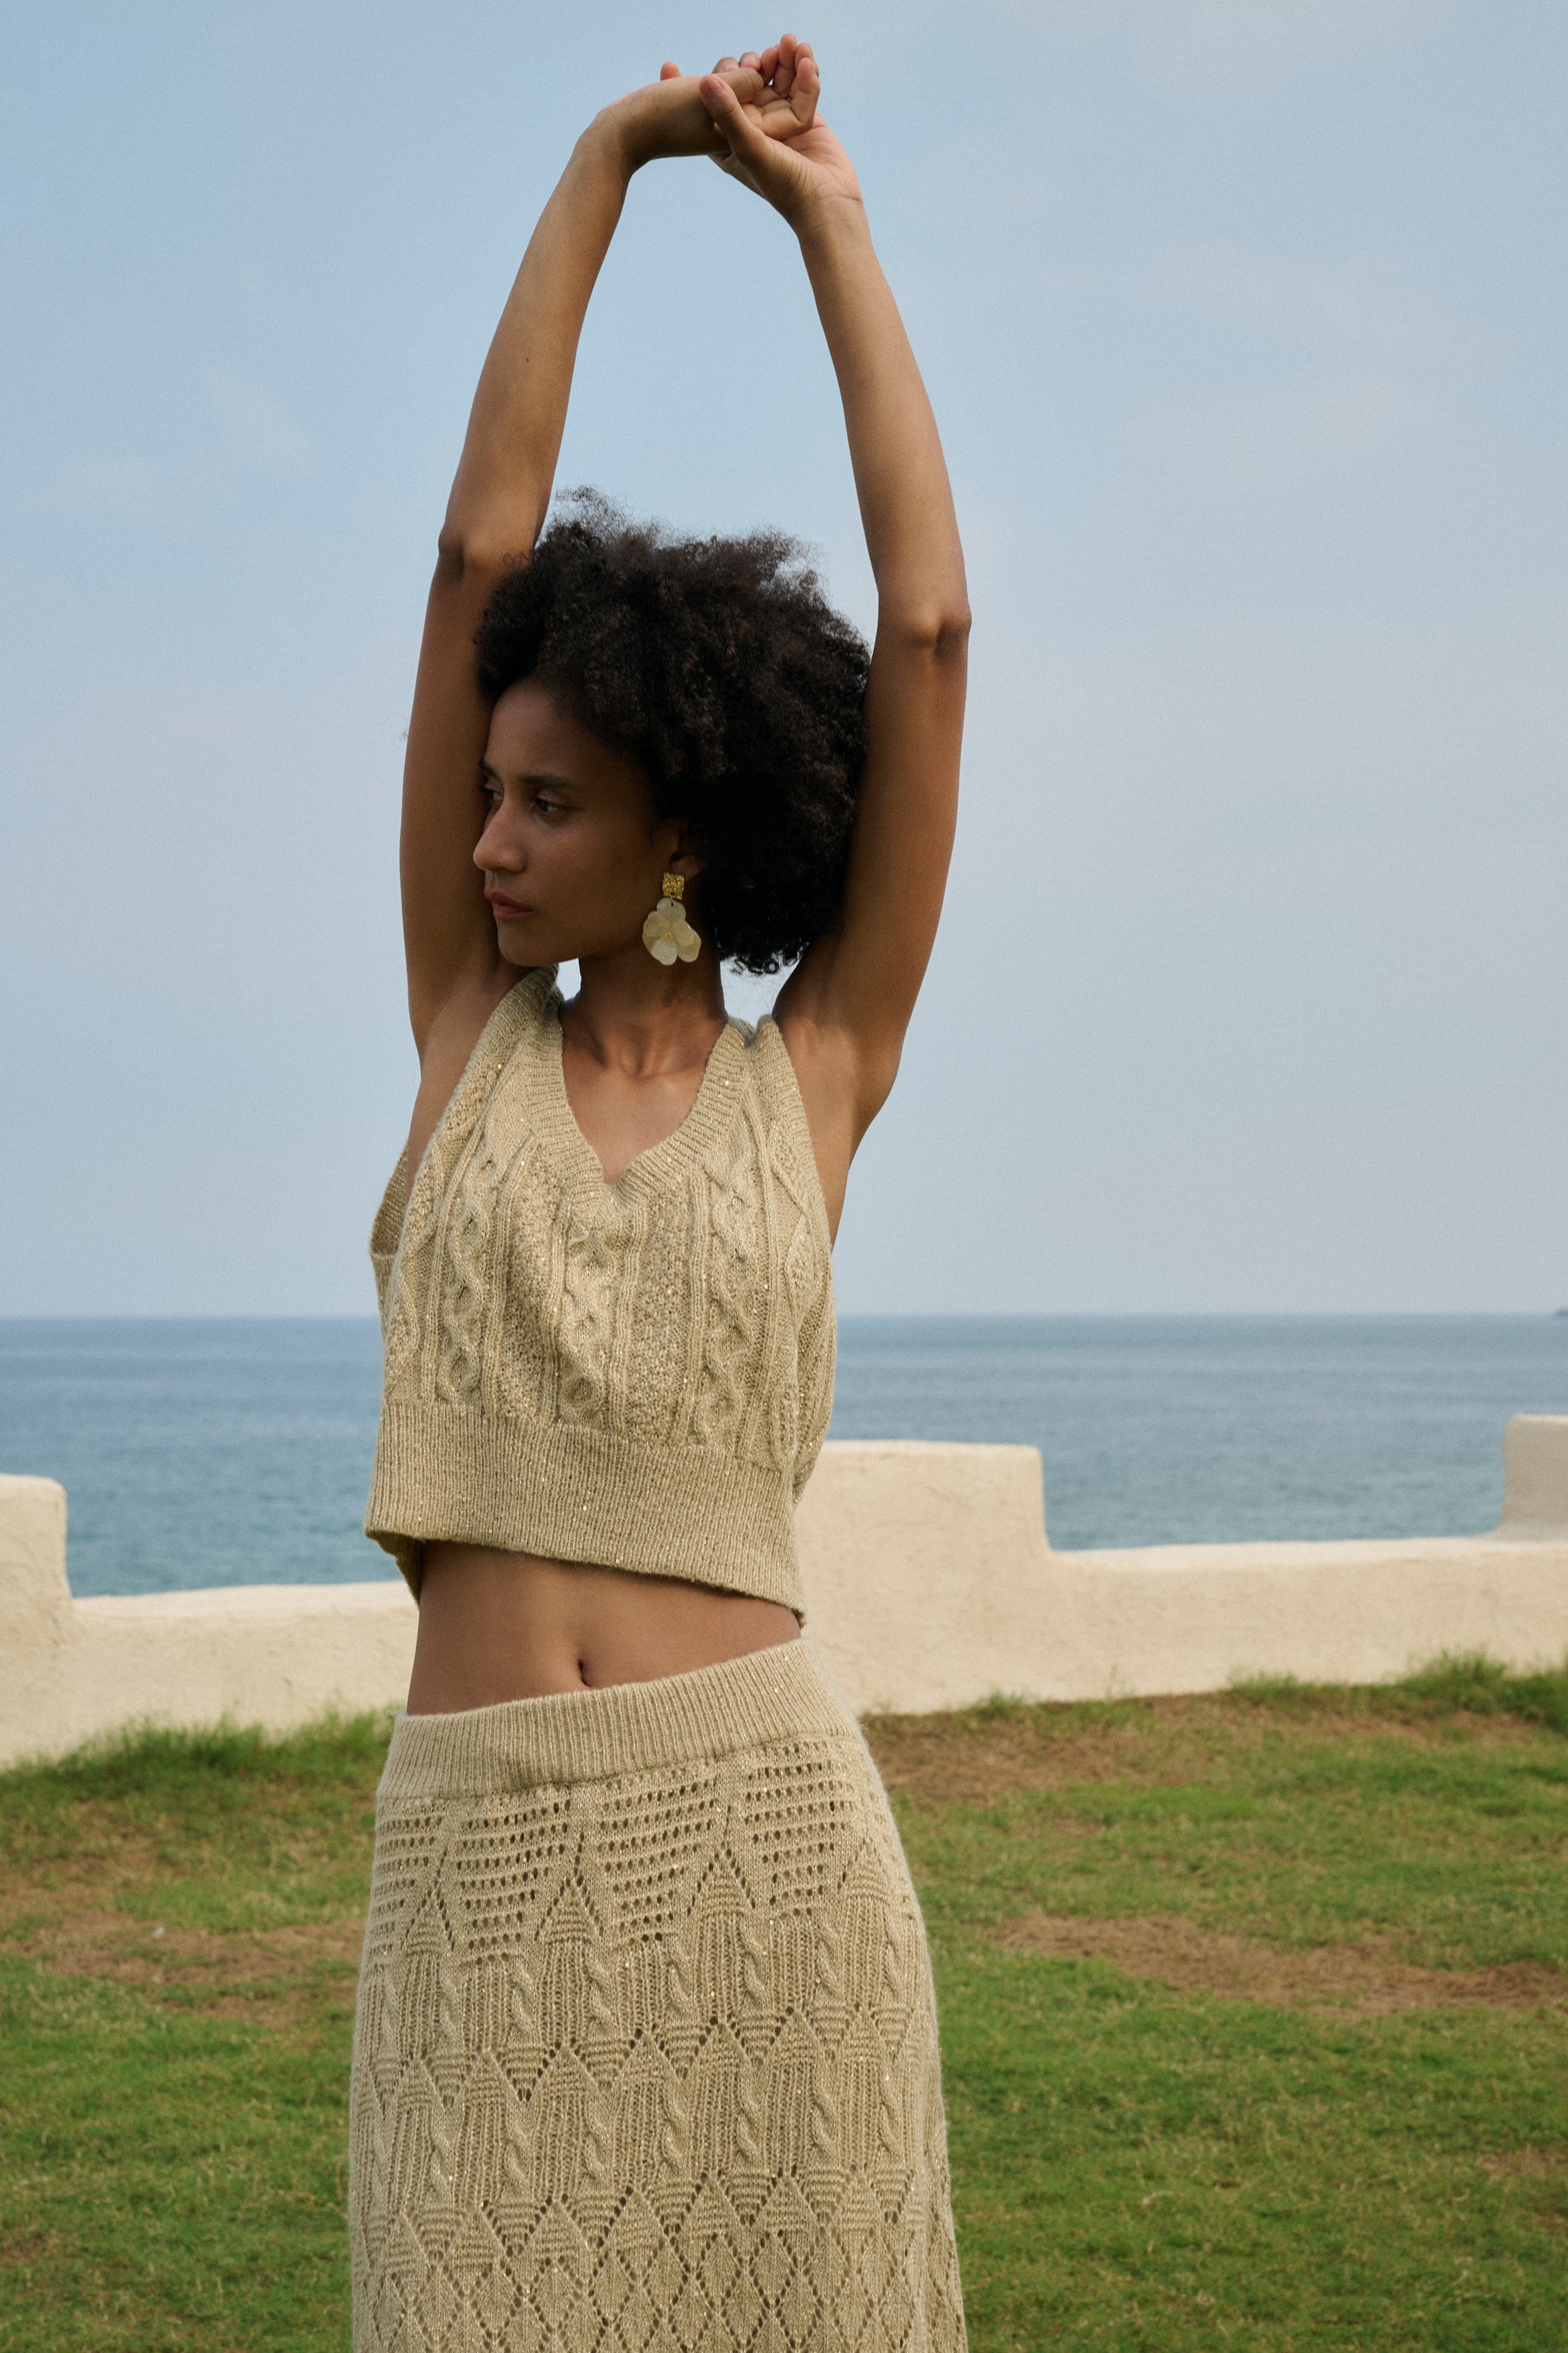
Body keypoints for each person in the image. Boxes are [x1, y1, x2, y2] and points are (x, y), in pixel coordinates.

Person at [349, 38, 970, 2351]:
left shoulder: (819, 1073)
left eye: (548, 805)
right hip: (479, 1879)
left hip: (772, 1872)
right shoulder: (458, 1039)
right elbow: (472, 561)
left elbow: (925, 635)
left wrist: (828, 221)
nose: (489, 845)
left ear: (684, 827)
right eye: (483, 793)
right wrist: (606, 161)